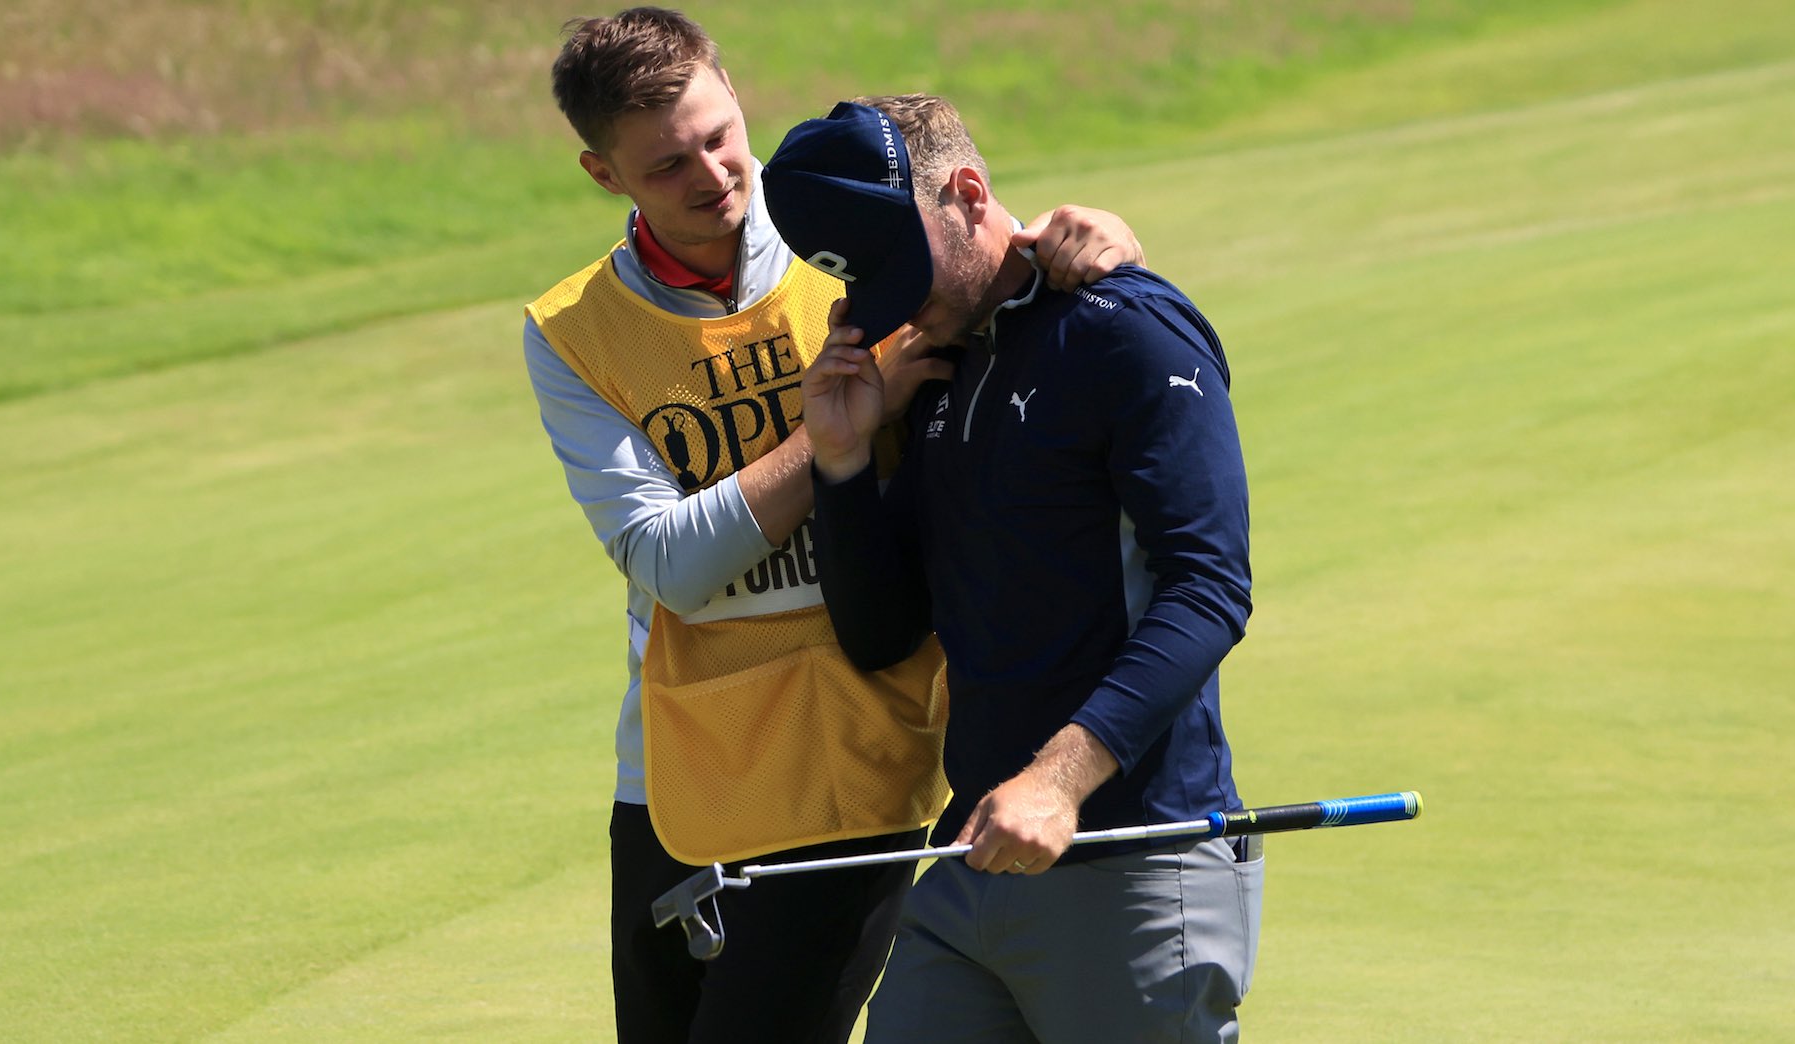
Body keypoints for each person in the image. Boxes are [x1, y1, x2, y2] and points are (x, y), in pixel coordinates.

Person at [523, 10, 1148, 1042]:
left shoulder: (857, 234)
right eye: (667, 164)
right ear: (604, 176)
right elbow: (669, 565)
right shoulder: (573, 331)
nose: (713, 175)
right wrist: (838, 436)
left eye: (719, 134)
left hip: (858, 758)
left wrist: (1100, 237)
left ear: (731, 90)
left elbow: (998, 247)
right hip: (676, 770)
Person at [774, 94, 1263, 1042]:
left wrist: (1056, 780)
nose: (899, 305)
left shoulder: (1128, 329)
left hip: (1133, 855)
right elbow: (882, 633)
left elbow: (1210, 586)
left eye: (906, 269)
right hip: (977, 864)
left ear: (968, 193)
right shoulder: (942, 369)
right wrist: (840, 464)